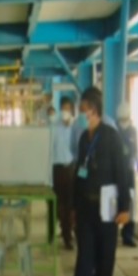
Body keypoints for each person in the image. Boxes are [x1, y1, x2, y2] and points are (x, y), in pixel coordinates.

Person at [68, 87, 131, 276]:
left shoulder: (111, 136)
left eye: (83, 110)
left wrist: (124, 208)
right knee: (84, 258)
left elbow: (122, 173)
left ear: (94, 110)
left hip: (108, 209)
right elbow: (79, 172)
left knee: (105, 260)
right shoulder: (84, 138)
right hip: (86, 207)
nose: (81, 114)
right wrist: (74, 207)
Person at [52, 98, 76, 250]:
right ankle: (59, 230)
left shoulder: (76, 127)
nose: (65, 112)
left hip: (71, 168)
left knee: (70, 204)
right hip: (57, 169)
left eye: (68, 109)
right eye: (63, 109)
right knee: (57, 203)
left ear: (72, 110)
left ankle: (68, 235)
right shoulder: (54, 126)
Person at [117, 102, 138, 248]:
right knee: (115, 200)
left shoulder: (133, 131)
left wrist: (133, 161)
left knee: (130, 201)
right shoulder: (114, 130)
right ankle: (113, 231)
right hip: (116, 172)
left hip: (129, 172)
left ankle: (128, 234)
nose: (124, 120)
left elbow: (135, 150)